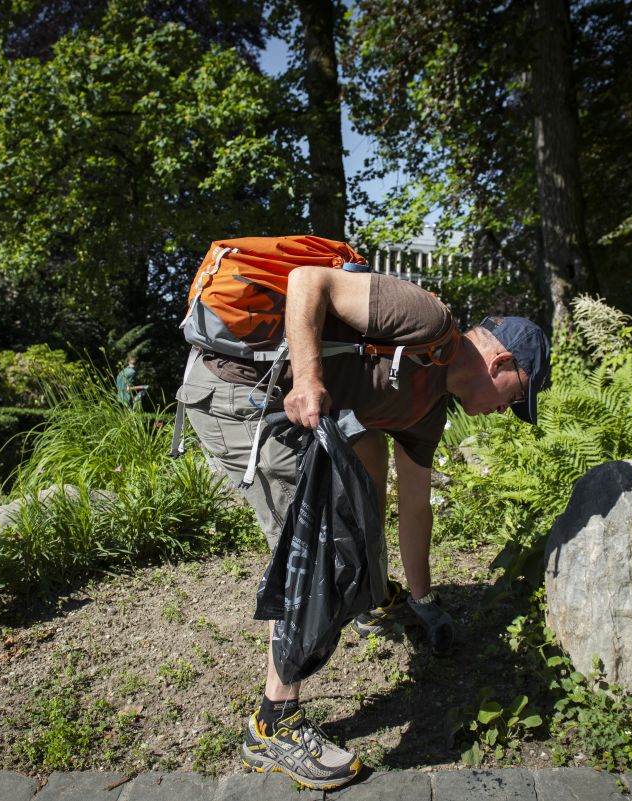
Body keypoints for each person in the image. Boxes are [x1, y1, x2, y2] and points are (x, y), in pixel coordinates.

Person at [176, 266, 549, 790]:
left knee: (367, 450)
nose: (507, 410)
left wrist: (422, 601)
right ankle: (273, 725)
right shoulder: (428, 320)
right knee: (314, 547)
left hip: (292, 405)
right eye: (515, 395)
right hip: (242, 392)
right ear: (501, 361)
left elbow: (415, 504)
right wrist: (307, 380)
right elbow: (309, 282)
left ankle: (373, 599)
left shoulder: (428, 406)